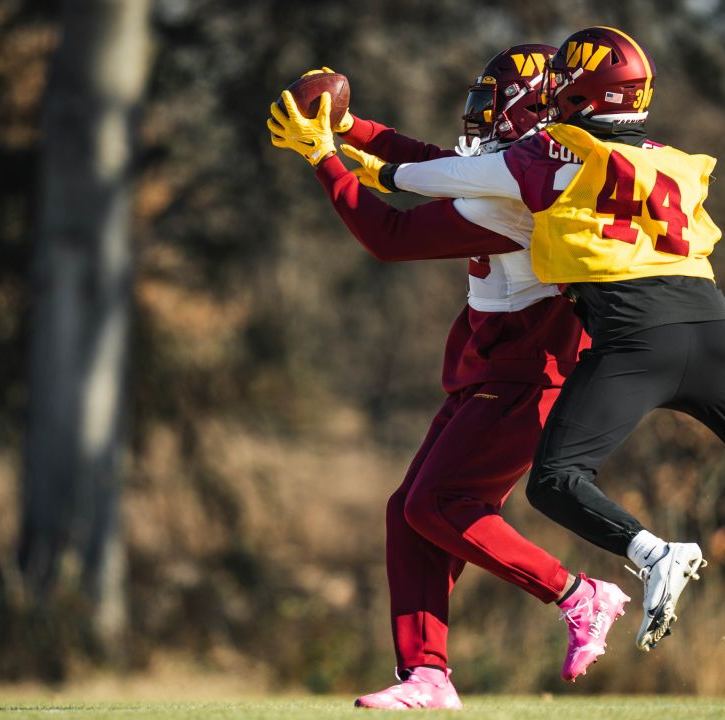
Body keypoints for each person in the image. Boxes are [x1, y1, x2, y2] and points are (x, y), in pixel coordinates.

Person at [330, 25, 725, 652]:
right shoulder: (667, 156)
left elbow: (416, 182)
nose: (554, 91)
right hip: (714, 329)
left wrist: (353, 158)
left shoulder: (549, 155)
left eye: (564, 81)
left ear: (585, 96)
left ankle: (651, 554)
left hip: (635, 339)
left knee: (555, 483)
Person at [267, 47, 630, 710]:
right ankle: (426, 675)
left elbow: (391, 235)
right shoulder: (526, 162)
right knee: (409, 516)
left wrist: (324, 159)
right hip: (495, 368)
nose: (479, 113)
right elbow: (429, 160)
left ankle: (579, 596)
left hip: (529, 373)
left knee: (435, 506)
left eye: (493, 100)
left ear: (532, 105)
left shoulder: (527, 189)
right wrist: (345, 129)